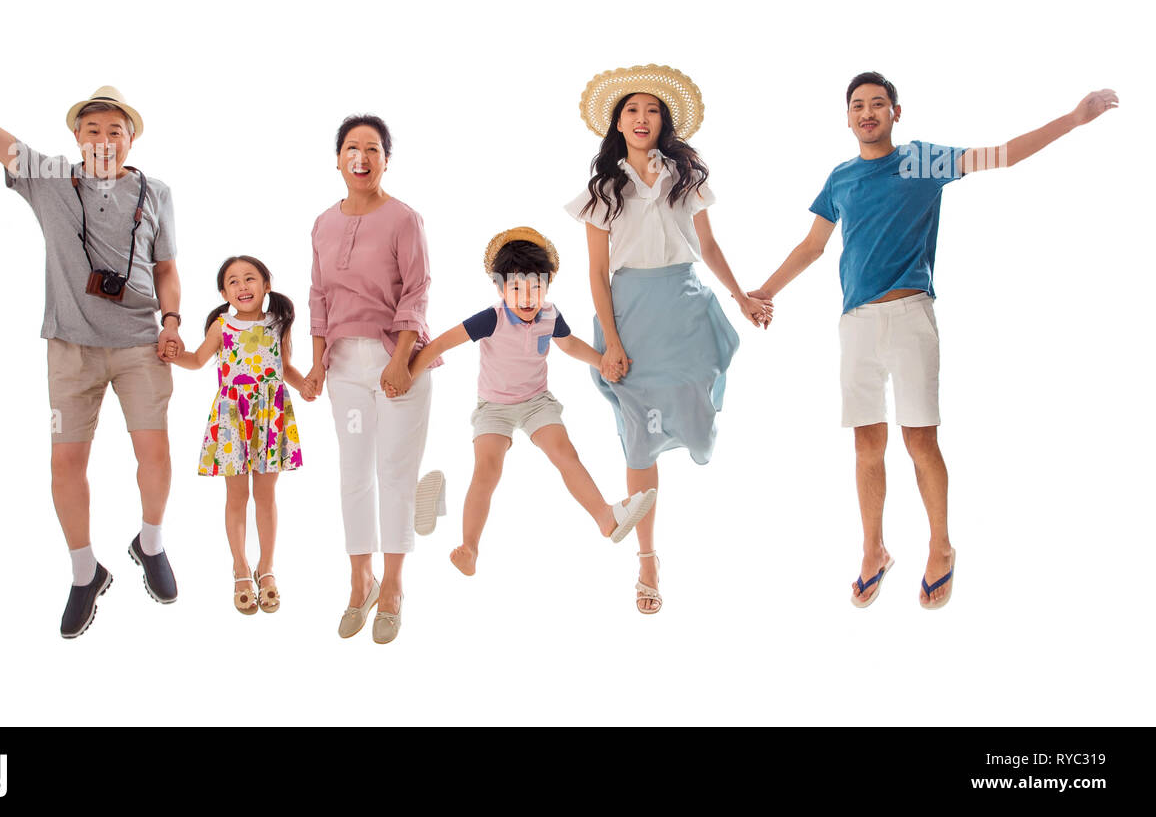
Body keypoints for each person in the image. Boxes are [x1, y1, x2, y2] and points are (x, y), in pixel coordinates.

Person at [749, 71, 1119, 609]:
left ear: (896, 112)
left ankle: (940, 546)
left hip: (910, 313)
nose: (868, 112)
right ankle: (873, 550)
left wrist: (1074, 118)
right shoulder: (841, 177)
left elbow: (1003, 155)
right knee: (865, 443)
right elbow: (812, 246)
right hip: (855, 322)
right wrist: (766, 290)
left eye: (879, 104)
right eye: (858, 105)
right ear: (847, 117)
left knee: (919, 440)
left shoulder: (920, 160)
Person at [0, 0, 184, 638]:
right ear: (76, 139)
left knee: (154, 455)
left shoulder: (157, 193)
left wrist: (173, 320)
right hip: (70, 348)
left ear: (130, 138)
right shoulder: (48, 178)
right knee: (66, 464)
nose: (101, 139)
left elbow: (169, 266)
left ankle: (149, 544)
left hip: (143, 344)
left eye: (113, 130)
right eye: (90, 130)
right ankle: (84, 572)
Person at [568, 65, 771, 615]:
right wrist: (610, 342)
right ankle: (648, 557)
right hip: (630, 315)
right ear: (617, 121)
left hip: (682, 310)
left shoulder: (687, 178)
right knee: (639, 436)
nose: (641, 118)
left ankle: (685, 437)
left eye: (652, 110)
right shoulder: (602, 189)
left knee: (691, 410)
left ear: (664, 121)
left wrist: (741, 296)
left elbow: (708, 245)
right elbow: (595, 273)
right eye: (631, 110)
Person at [408, 227, 658, 576]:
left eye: (536, 287)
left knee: (565, 453)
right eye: (516, 288)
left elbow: (569, 344)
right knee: (487, 470)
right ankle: (469, 546)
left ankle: (605, 517)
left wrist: (601, 361)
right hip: (493, 406)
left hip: (536, 401)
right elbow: (440, 344)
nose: (527, 297)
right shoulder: (490, 319)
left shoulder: (549, 315)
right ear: (499, 288)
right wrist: (409, 374)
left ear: (547, 285)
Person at [303, 114, 446, 644]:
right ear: (338, 157)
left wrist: (402, 358)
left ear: (387, 159)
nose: (360, 157)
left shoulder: (404, 218)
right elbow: (318, 296)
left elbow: (418, 289)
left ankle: (392, 586)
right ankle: (359, 578)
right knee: (353, 473)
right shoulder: (322, 223)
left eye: (372, 149)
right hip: (343, 365)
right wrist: (317, 360)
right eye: (350, 148)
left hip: (399, 360)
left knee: (394, 475)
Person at [173, 256, 314, 615]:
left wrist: (306, 387)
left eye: (250, 279)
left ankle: (266, 568)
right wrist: (172, 355)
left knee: (265, 496)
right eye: (233, 282)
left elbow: (285, 367)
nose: (242, 286)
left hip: (270, 414)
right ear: (224, 292)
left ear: (266, 285)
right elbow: (196, 360)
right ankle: (240, 567)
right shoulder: (222, 326)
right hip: (234, 415)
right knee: (236, 497)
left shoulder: (277, 323)